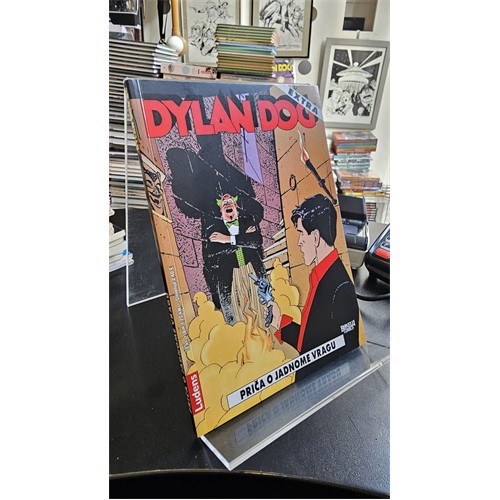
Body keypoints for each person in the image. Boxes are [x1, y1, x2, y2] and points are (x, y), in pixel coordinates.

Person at [268, 193, 360, 378]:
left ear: (316, 237)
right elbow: (311, 342)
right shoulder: (321, 277)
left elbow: (347, 357)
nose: (299, 242)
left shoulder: (341, 287)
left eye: (302, 233)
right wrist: (278, 321)